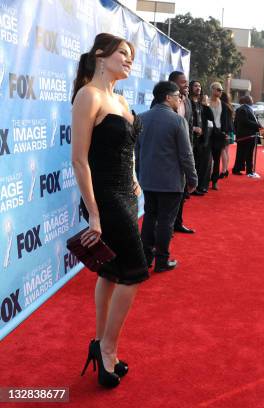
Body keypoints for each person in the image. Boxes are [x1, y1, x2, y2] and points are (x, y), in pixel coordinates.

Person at [72, 33, 144, 388]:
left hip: (126, 195)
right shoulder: (89, 95)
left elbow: (126, 149)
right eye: (123, 54)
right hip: (105, 197)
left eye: (131, 55)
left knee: (111, 272)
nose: (129, 60)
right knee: (134, 271)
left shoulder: (121, 100)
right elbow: (79, 160)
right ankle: (108, 350)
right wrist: (95, 214)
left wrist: (133, 177)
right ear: (101, 56)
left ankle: (99, 343)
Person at [137, 81, 197, 273]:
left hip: (148, 179)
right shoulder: (178, 121)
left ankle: (146, 259)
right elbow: (186, 155)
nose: (180, 99)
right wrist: (193, 178)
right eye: (177, 96)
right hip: (170, 182)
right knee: (165, 222)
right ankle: (162, 261)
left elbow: (137, 152)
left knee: (149, 218)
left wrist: (140, 174)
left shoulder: (141, 118)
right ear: (167, 97)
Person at [168, 71, 195, 234]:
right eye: (183, 82)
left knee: (181, 191)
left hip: (185, 152)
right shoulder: (162, 101)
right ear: (173, 83)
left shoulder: (187, 102)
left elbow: (189, 127)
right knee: (169, 194)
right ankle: (166, 226)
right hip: (168, 153)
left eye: (186, 82)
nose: (186, 85)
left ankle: (177, 222)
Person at [208, 82, 232, 187]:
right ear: (212, 89)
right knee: (205, 158)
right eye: (218, 89)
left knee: (217, 158)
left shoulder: (223, 105)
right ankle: (204, 180)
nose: (220, 91)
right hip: (207, 132)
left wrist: (225, 133)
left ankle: (215, 181)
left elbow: (226, 121)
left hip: (219, 133)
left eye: (221, 90)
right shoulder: (206, 102)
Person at [233, 95, 263, 177]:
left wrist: (259, 125)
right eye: (251, 99)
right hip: (245, 135)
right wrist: (257, 125)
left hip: (250, 135)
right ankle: (237, 169)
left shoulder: (249, 109)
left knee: (249, 154)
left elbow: (254, 119)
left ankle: (249, 170)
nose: (252, 100)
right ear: (247, 100)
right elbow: (244, 121)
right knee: (241, 153)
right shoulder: (242, 109)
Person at [189, 80, 207, 196]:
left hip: (200, 139)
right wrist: (194, 128)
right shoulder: (188, 103)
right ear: (191, 88)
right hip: (190, 137)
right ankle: (189, 188)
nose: (198, 88)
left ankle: (195, 186)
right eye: (195, 86)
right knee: (191, 164)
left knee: (198, 163)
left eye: (199, 86)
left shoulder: (200, 104)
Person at [220, 91, 235, 179]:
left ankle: (224, 170)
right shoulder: (230, 106)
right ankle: (225, 169)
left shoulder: (223, 106)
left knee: (223, 150)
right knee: (226, 151)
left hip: (226, 130)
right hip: (230, 130)